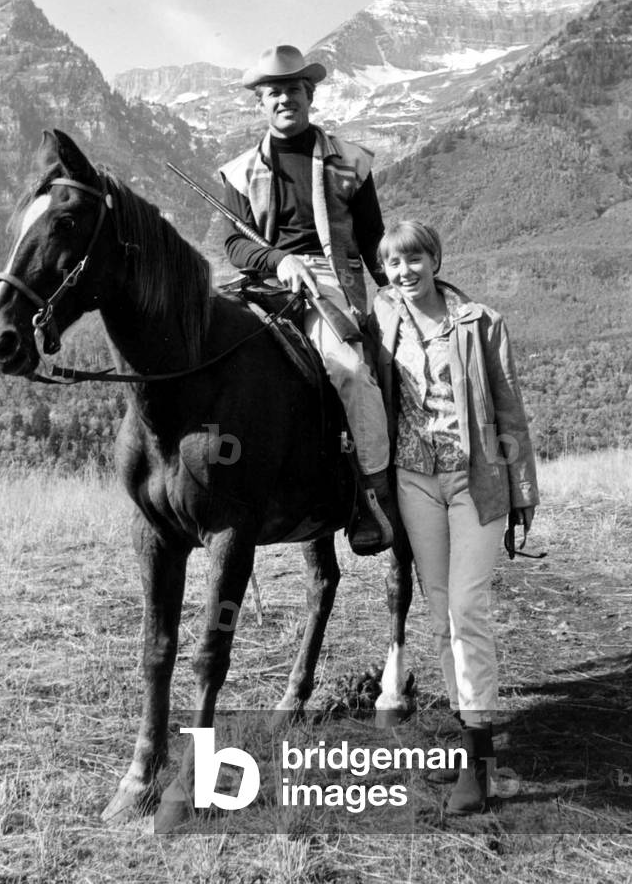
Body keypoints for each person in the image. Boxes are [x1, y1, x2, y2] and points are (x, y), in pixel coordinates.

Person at [369, 219, 539, 814]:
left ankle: (481, 763)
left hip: (477, 480)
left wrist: (522, 492)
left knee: (467, 607)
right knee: (441, 615)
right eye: (393, 263)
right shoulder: (383, 321)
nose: (404, 271)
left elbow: (510, 410)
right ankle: (469, 752)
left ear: (436, 260)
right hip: (415, 483)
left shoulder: (480, 323)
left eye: (415, 259)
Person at [219, 44, 395, 554]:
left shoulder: (351, 161)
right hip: (266, 282)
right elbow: (235, 246)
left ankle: (372, 498)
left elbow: (372, 237)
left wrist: (395, 292)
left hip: (330, 280)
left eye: (293, 89)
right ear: (261, 103)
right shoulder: (238, 171)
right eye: (273, 92)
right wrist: (279, 262)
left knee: (349, 372)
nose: (284, 99)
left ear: (310, 94)